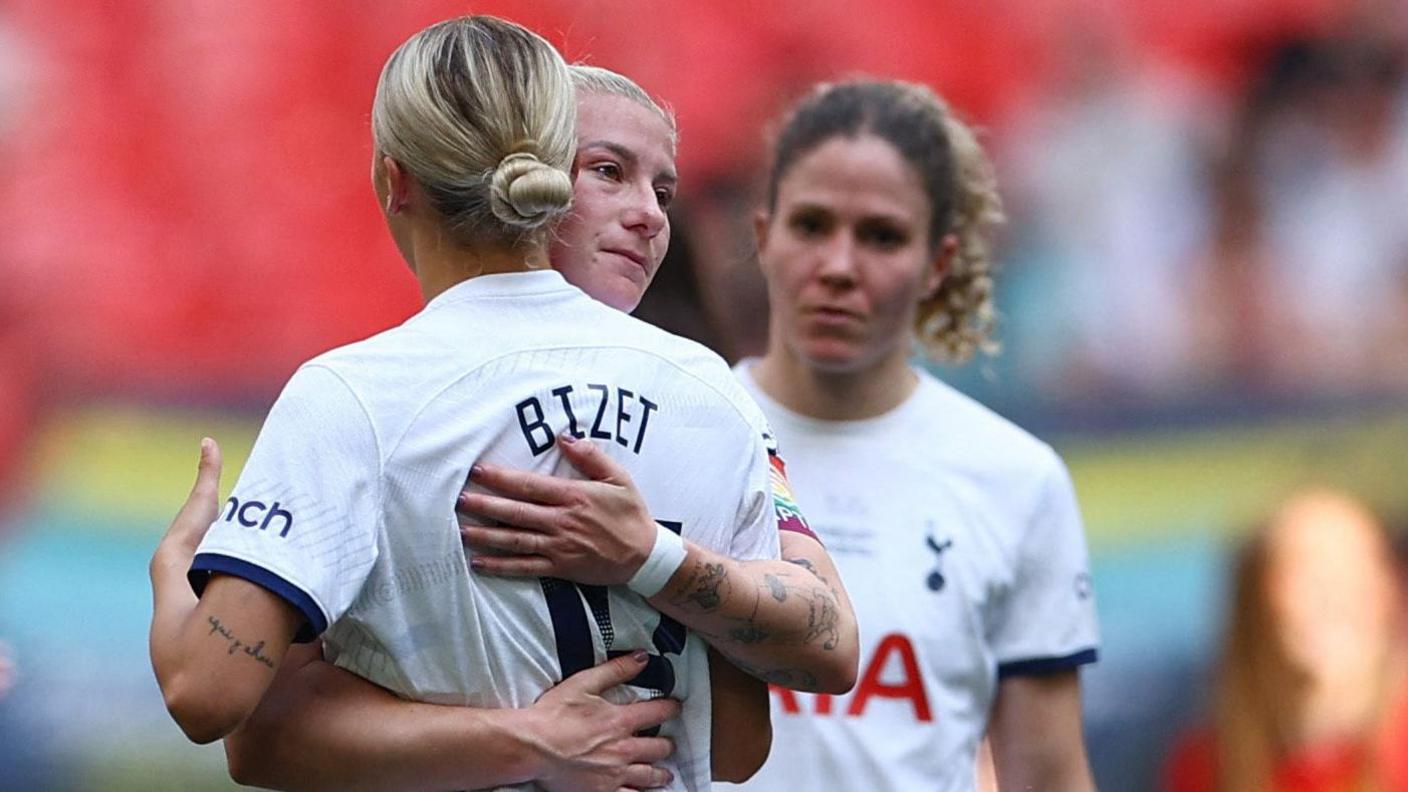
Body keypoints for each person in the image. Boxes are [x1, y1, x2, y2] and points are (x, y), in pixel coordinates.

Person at [149, 35, 857, 791]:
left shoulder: (360, 395)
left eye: (663, 191)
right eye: (609, 172)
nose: (649, 215)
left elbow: (220, 704)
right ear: (545, 179)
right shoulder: (706, 391)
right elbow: (735, 742)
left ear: (396, 180)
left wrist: (170, 575)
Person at [717, 80, 1101, 790]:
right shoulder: (679, 432)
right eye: (812, 225)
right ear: (763, 234)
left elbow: (1047, 776)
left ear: (939, 264)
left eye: (882, 236)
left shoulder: (1017, 480)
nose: (838, 265)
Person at [1163, 489, 1408, 792]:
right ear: (1254, 601)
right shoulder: (1206, 763)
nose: (1332, 594)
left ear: (1389, 592)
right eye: (1306, 570)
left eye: (1353, 570)